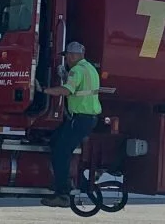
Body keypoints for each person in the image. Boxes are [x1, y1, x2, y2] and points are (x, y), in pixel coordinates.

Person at [39, 41, 102, 208]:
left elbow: (67, 91)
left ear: (73, 56)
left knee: (61, 152)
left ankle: (62, 194)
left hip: (80, 119)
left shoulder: (76, 70)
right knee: (55, 142)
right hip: (87, 119)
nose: (66, 59)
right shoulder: (90, 69)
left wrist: (44, 90)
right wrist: (65, 76)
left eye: (67, 56)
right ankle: (71, 180)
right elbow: (80, 88)